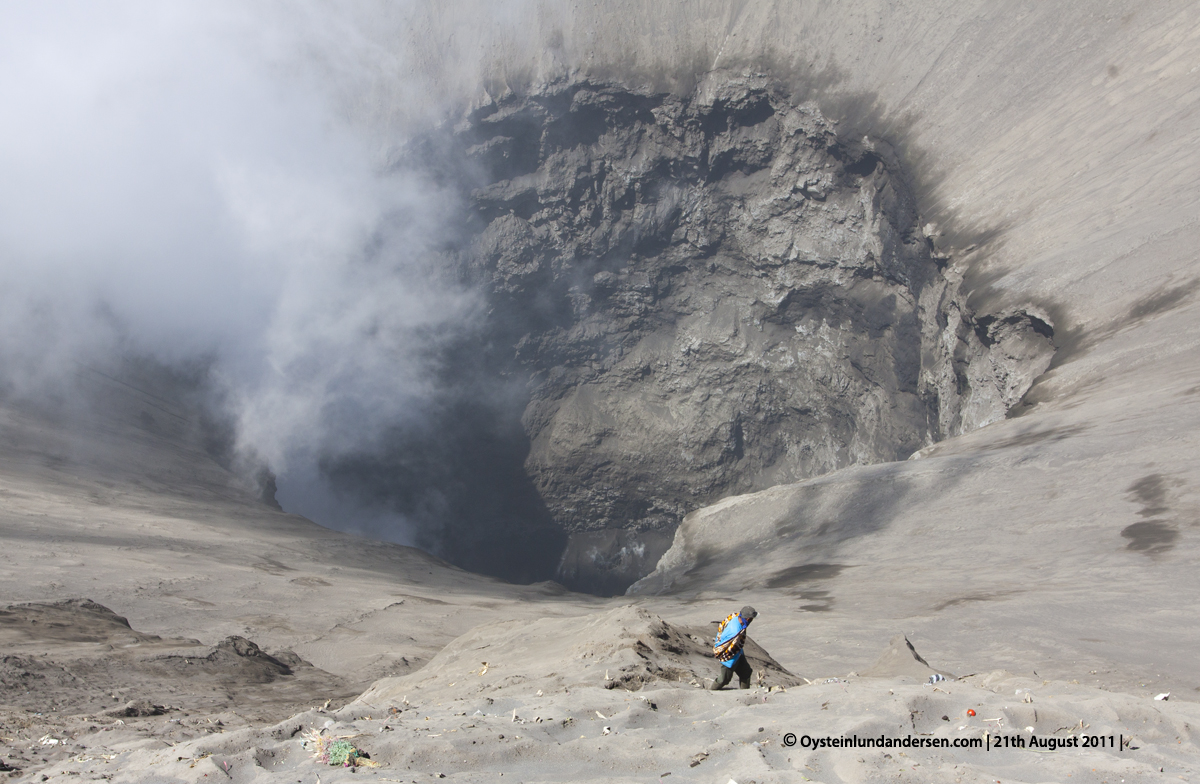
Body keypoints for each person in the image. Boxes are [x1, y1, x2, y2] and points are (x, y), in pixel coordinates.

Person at [710, 605, 757, 690]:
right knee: (724, 679)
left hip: (738, 652)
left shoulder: (736, 616)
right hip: (729, 657)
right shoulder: (734, 631)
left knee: (746, 672)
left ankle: (745, 694)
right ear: (748, 619)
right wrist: (718, 653)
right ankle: (711, 692)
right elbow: (722, 644)